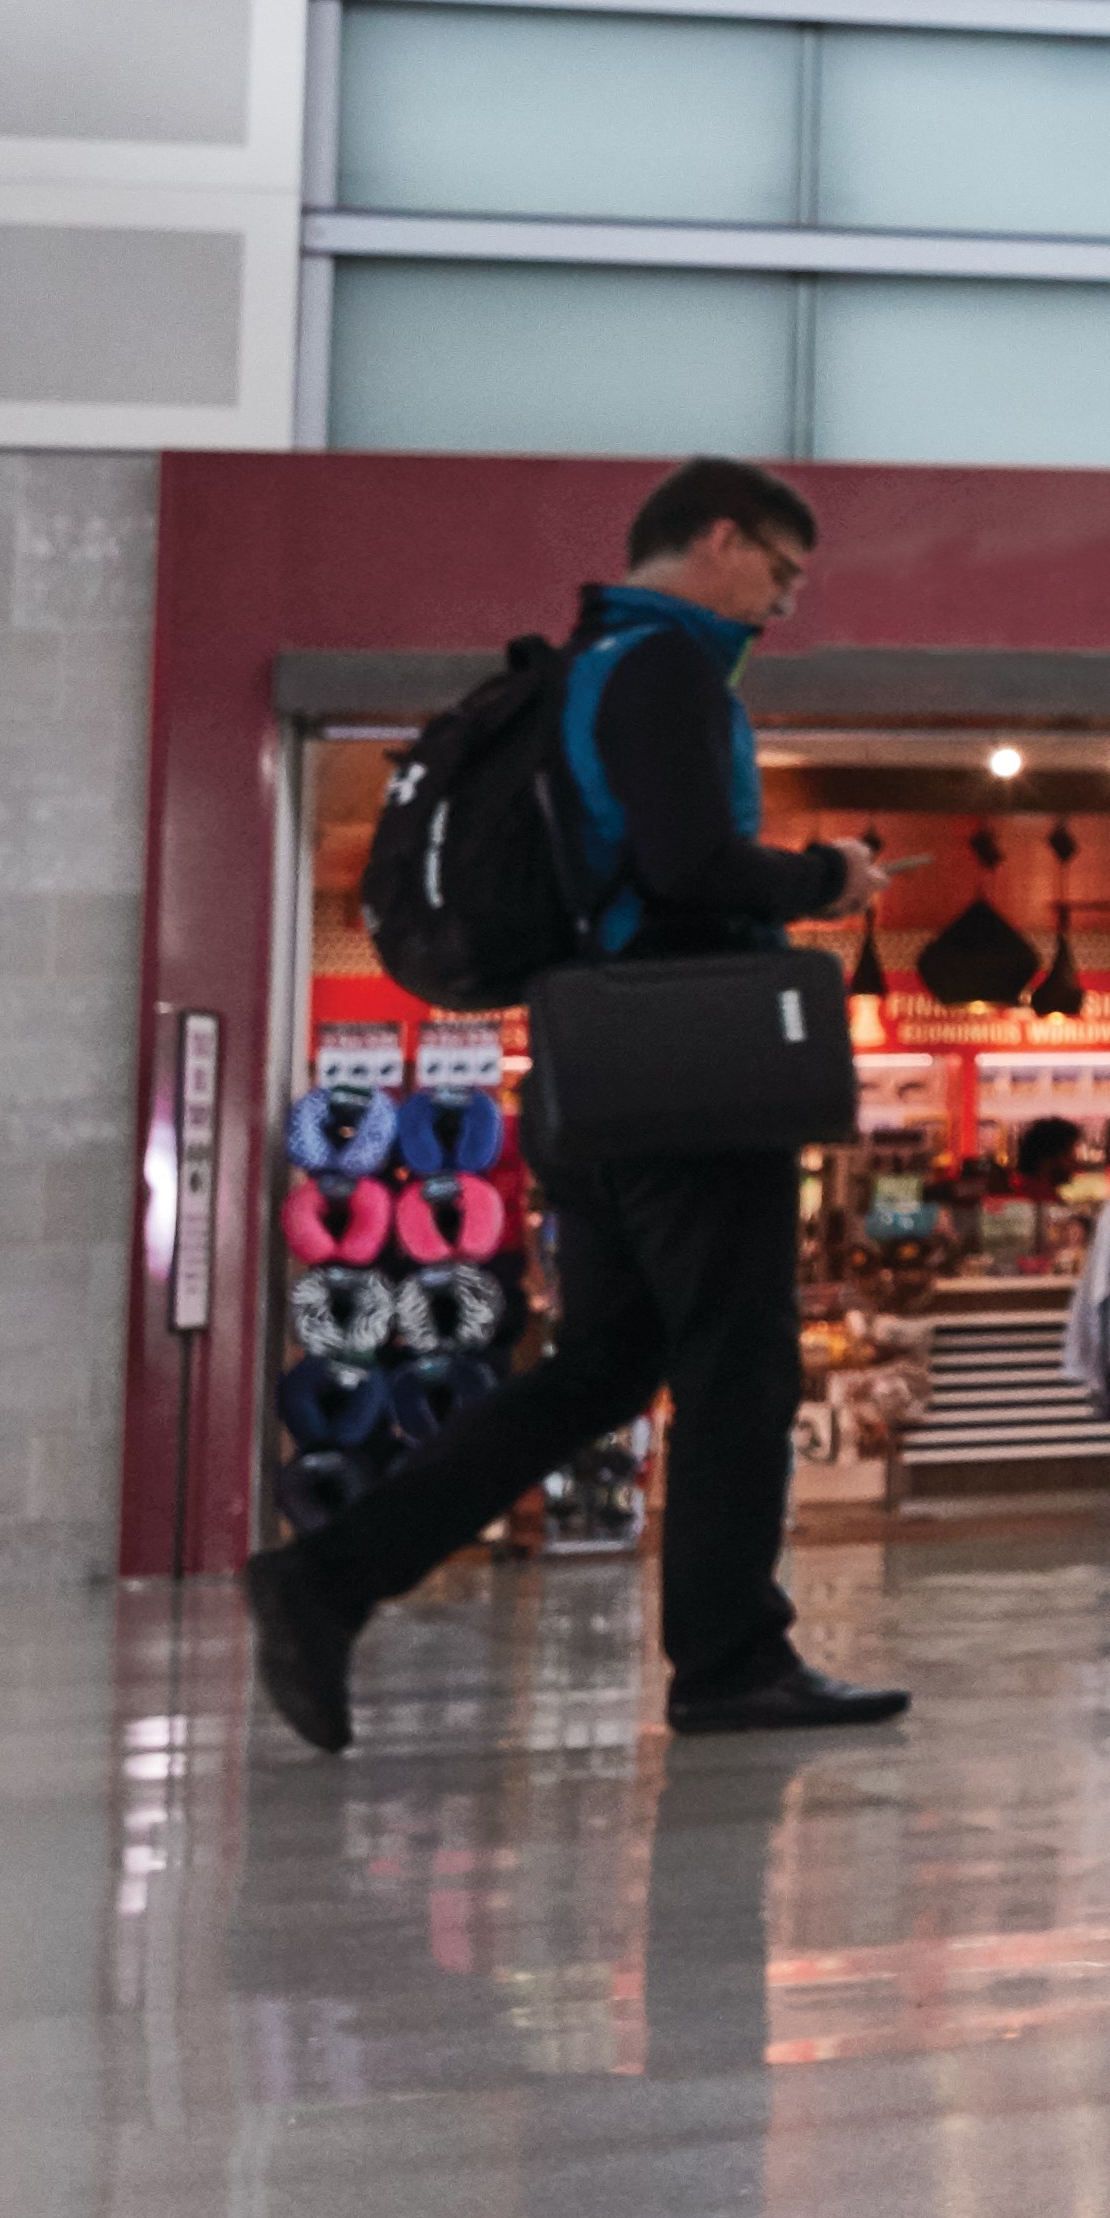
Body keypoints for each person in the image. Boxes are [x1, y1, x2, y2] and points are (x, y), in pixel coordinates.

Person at [245, 455, 907, 1755]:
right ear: (721, 540)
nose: (778, 610)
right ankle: (728, 1660)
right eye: (778, 576)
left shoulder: (578, 669)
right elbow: (687, 865)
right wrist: (826, 875)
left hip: (590, 1062)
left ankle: (328, 1578)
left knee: (608, 1362)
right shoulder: (663, 666)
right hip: (686, 1062)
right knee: (740, 1362)